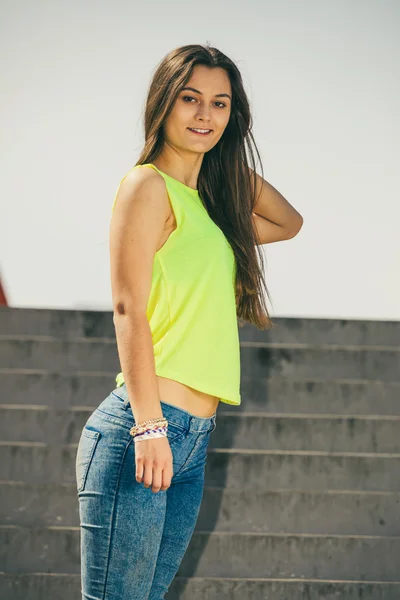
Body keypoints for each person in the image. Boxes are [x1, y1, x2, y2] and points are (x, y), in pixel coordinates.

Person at [75, 43, 303, 600]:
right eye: (191, 99)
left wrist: (220, 161)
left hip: (193, 437)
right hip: (145, 428)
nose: (205, 115)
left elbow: (289, 221)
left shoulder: (211, 207)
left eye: (220, 104)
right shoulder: (146, 186)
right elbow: (127, 306)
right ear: (163, 103)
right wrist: (148, 426)